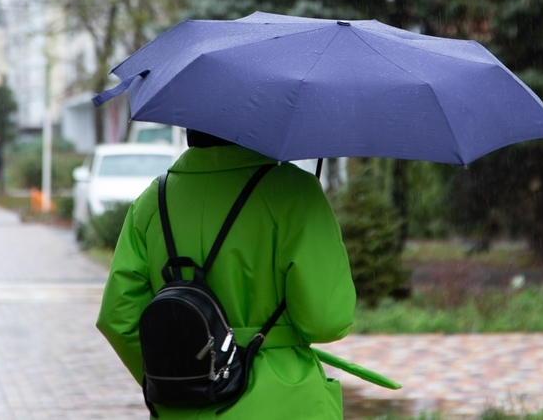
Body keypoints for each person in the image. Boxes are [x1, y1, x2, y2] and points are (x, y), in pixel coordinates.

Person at [97, 130, 356, 419]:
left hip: (180, 409)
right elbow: (326, 321)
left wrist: (182, 372)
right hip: (283, 400)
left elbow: (117, 317)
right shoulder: (294, 191)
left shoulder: (153, 201)